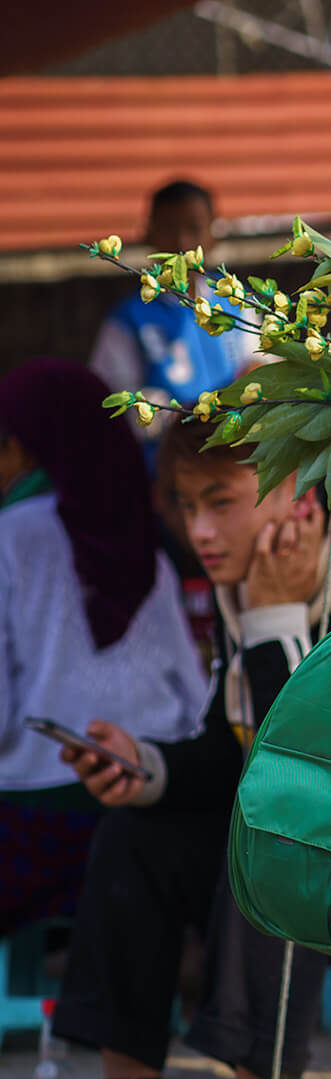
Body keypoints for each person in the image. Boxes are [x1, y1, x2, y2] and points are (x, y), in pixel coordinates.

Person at [9, 418, 331, 1079]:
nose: (199, 532)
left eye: (221, 503)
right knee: (136, 833)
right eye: (186, 506)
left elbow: (315, 775)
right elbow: (239, 751)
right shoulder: (254, 583)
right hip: (312, 850)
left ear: (300, 495)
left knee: (271, 847)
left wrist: (275, 621)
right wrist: (147, 767)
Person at [0, 359, 208, 939]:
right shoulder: (150, 552)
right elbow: (194, 708)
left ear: (29, 448)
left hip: (36, 830)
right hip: (146, 816)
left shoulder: (10, 539)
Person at [89, 180, 251, 472]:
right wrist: (188, 418)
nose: (181, 243)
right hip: (168, 472)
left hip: (240, 460)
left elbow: (264, 365)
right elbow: (117, 399)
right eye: (168, 228)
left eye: (194, 228)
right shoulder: (129, 319)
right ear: (148, 233)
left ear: (214, 233)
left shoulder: (236, 299)